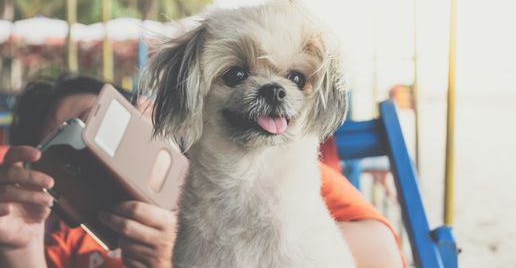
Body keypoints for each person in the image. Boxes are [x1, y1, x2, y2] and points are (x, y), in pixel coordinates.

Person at [0, 74, 404, 268]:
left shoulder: (262, 170)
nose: (88, 154)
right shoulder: (73, 244)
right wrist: (20, 249)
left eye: (92, 124)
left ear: (143, 112)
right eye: (65, 156)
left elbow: (378, 257)